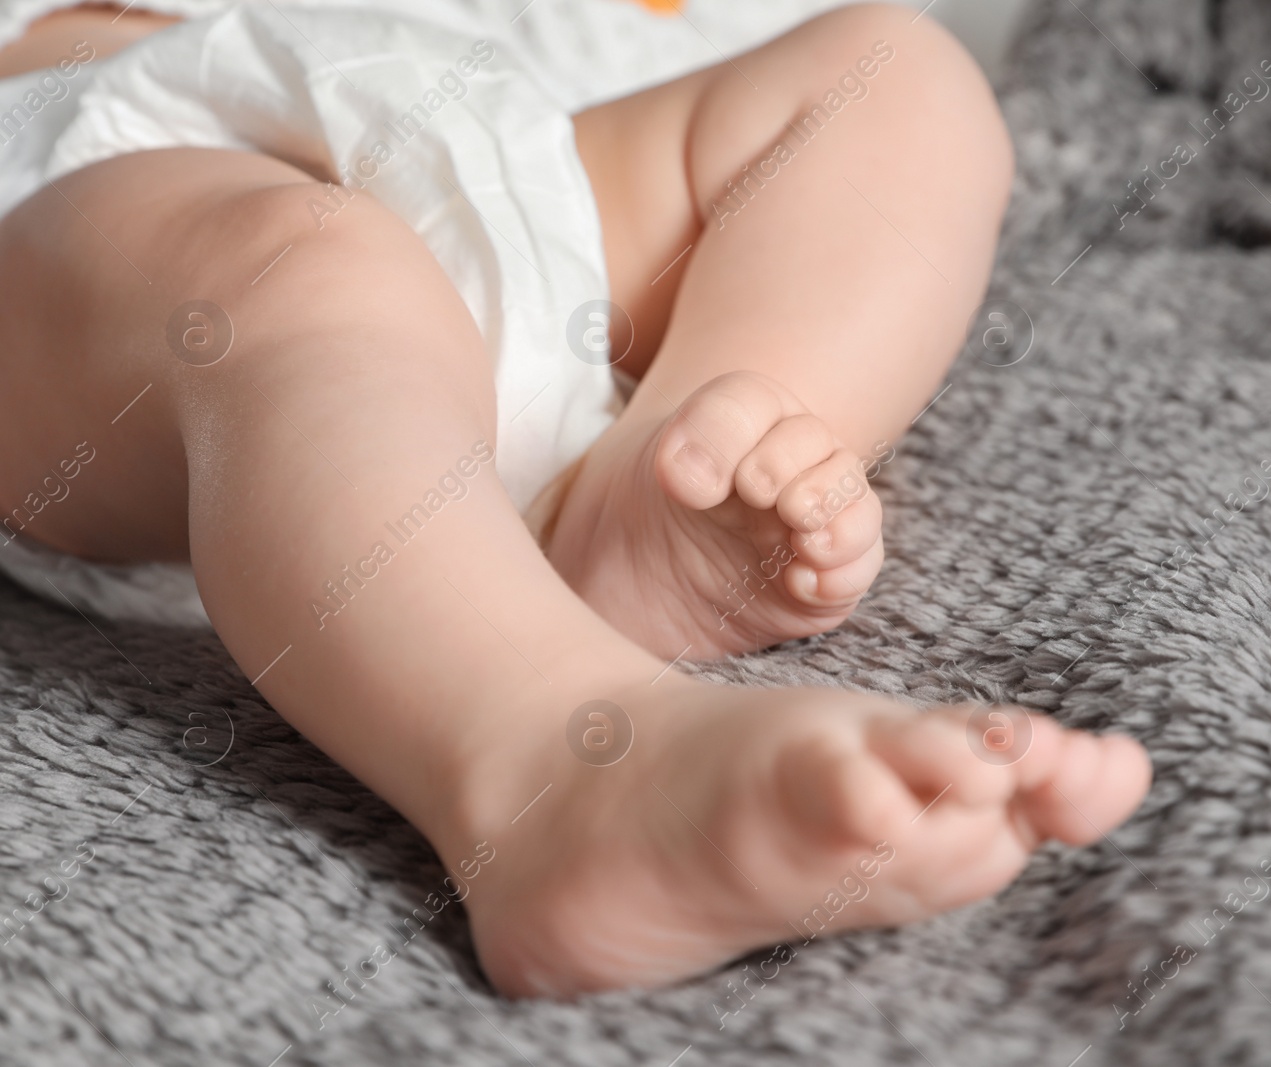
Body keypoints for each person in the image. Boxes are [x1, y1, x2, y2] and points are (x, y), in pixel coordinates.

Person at [0, 0, 1150, 996]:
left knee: (898, 73)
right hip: (73, 197)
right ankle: (549, 771)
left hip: (465, 147)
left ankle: (676, 464)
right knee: (290, 261)